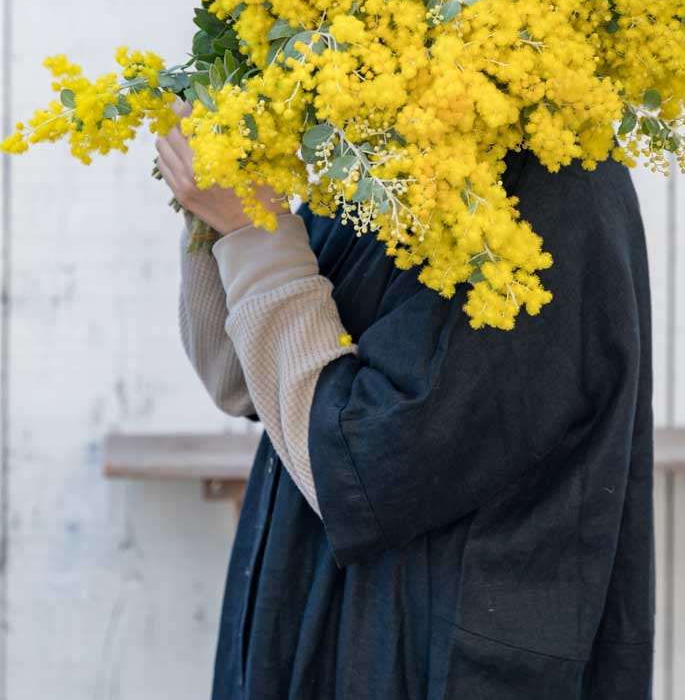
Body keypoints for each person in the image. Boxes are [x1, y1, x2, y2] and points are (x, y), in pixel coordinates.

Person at [156, 98, 655, 699]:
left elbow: (368, 464)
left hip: (433, 656)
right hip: (319, 612)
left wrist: (250, 226)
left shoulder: (548, 179)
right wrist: (221, 216)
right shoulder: (397, 143)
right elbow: (242, 381)